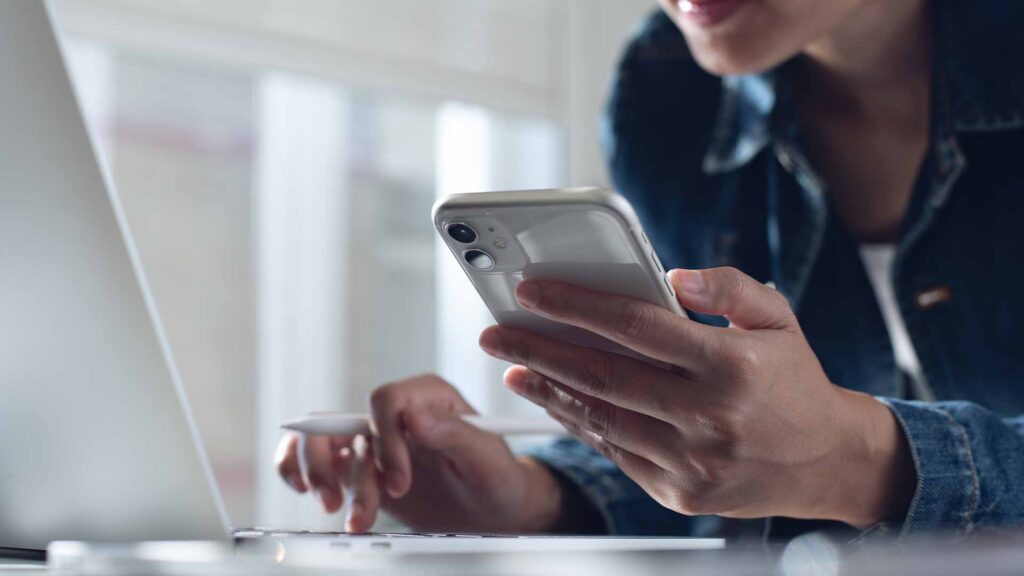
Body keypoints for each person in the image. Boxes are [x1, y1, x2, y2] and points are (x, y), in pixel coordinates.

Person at [276, 0, 1024, 540]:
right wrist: (537, 498)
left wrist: (857, 460)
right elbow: (729, 458)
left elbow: (805, 461)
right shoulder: (671, 91)